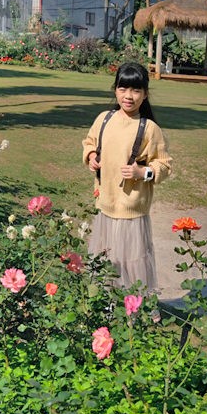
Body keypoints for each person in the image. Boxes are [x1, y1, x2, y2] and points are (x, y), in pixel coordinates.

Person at [82, 62, 172, 290]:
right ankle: (106, 303)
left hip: (131, 208)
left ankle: (136, 306)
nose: (128, 96)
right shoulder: (104, 118)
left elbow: (164, 165)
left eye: (135, 90)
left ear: (145, 94)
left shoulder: (149, 128)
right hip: (106, 203)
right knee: (105, 255)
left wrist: (143, 172)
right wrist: (91, 156)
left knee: (132, 260)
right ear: (115, 90)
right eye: (123, 89)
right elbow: (89, 142)